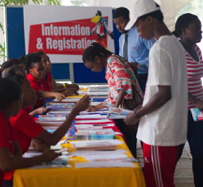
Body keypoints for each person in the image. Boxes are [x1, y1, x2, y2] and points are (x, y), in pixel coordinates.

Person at [123, 1, 188, 187]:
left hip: (159, 132)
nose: (138, 31)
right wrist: (141, 107)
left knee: (159, 183)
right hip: (168, 128)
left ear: (149, 19)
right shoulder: (175, 45)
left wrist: (135, 115)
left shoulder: (159, 49)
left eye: (137, 25)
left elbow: (164, 94)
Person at [4, 74, 90, 184]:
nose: (33, 91)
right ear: (17, 94)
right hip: (11, 177)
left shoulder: (19, 114)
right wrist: (75, 111)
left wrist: (34, 140)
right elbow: (52, 139)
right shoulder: (20, 116)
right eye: (28, 88)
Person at [82, 42, 143, 157]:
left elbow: (124, 84)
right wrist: (96, 107)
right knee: (128, 144)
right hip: (122, 111)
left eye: (92, 67)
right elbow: (114, 96)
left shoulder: (113, 61)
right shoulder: (110, 63)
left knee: (128, 145)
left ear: (97, 59)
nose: (93, 70)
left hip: (125, 111)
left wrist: (115, 108)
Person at [173, 13, 203, 187]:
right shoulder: (176, 51)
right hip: (181, 112)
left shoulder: (196, 49)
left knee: (200, 154)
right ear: (183, 30)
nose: (200, 31)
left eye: (200, 27)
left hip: (197, 112)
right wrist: (194, 100)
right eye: (196, 28)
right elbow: (174, 82)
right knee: (174, 154)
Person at [113, 7, 155, 93]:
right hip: (128, 78)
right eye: (116, 24)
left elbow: (156, 55)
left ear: (129, 19)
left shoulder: (142, 33)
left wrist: (138, 65)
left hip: (143, 77)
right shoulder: (122, 38)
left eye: (121, 23)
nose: (118, 27)